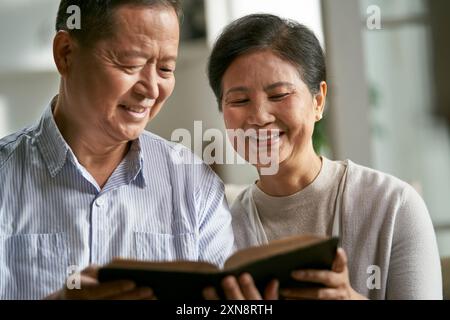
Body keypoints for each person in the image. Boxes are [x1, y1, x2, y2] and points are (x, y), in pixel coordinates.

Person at [0, 0, 234, 300]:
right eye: (130, 64)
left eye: (165, 68)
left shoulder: (195, 185)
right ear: (66, 54)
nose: (150, 89)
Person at [203, 13, 442, 300]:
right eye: (240, 101)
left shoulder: (394, 206)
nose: (259, 117)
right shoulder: (217, 228)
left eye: (279, 95)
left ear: (318, 101)